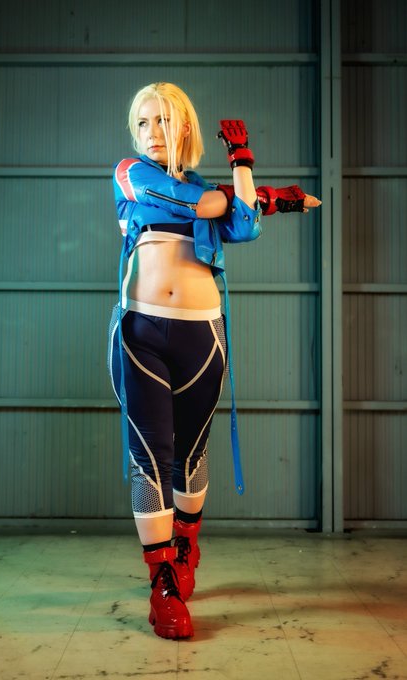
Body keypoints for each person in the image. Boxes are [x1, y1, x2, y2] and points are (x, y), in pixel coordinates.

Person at [108, 82, 321, 640]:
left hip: (203, 335)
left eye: (162, 120)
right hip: (141, 333)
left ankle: (186, 545)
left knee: (191, 453)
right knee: (150, 457)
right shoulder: (130, 173)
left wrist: (243, 163)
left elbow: (244, 225)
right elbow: (203, 206)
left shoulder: (202, 183)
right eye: (142, 122)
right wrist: (263, 195)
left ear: (185, 126)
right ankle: (163, 585)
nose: (151, 133)